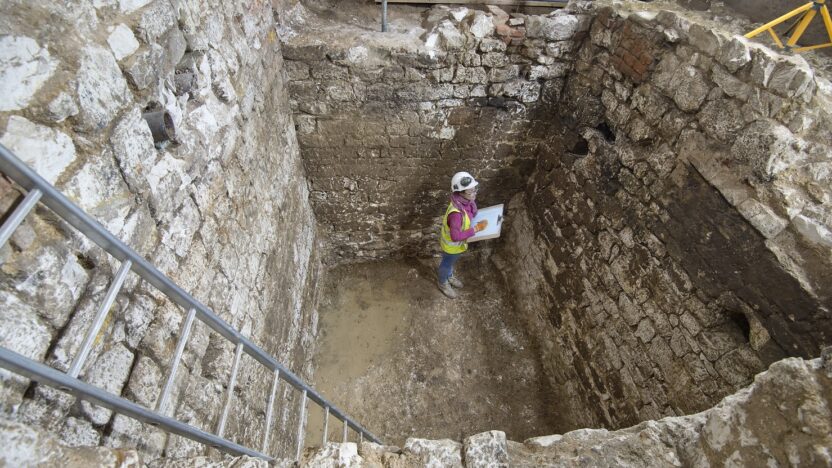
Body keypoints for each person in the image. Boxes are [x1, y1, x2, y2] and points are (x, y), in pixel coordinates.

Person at [437, 171, 488, 299]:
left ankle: (449, 276)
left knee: (450, 264)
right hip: (452, 247)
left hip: (457, 246)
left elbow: (470, 214)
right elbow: (455, 236)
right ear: (460, 193)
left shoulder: (466, 203)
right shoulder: (456, 214)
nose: (474, 193)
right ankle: (442, 283)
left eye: (475, 189)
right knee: (447, 264)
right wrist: (476, 228)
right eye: (470, 192)